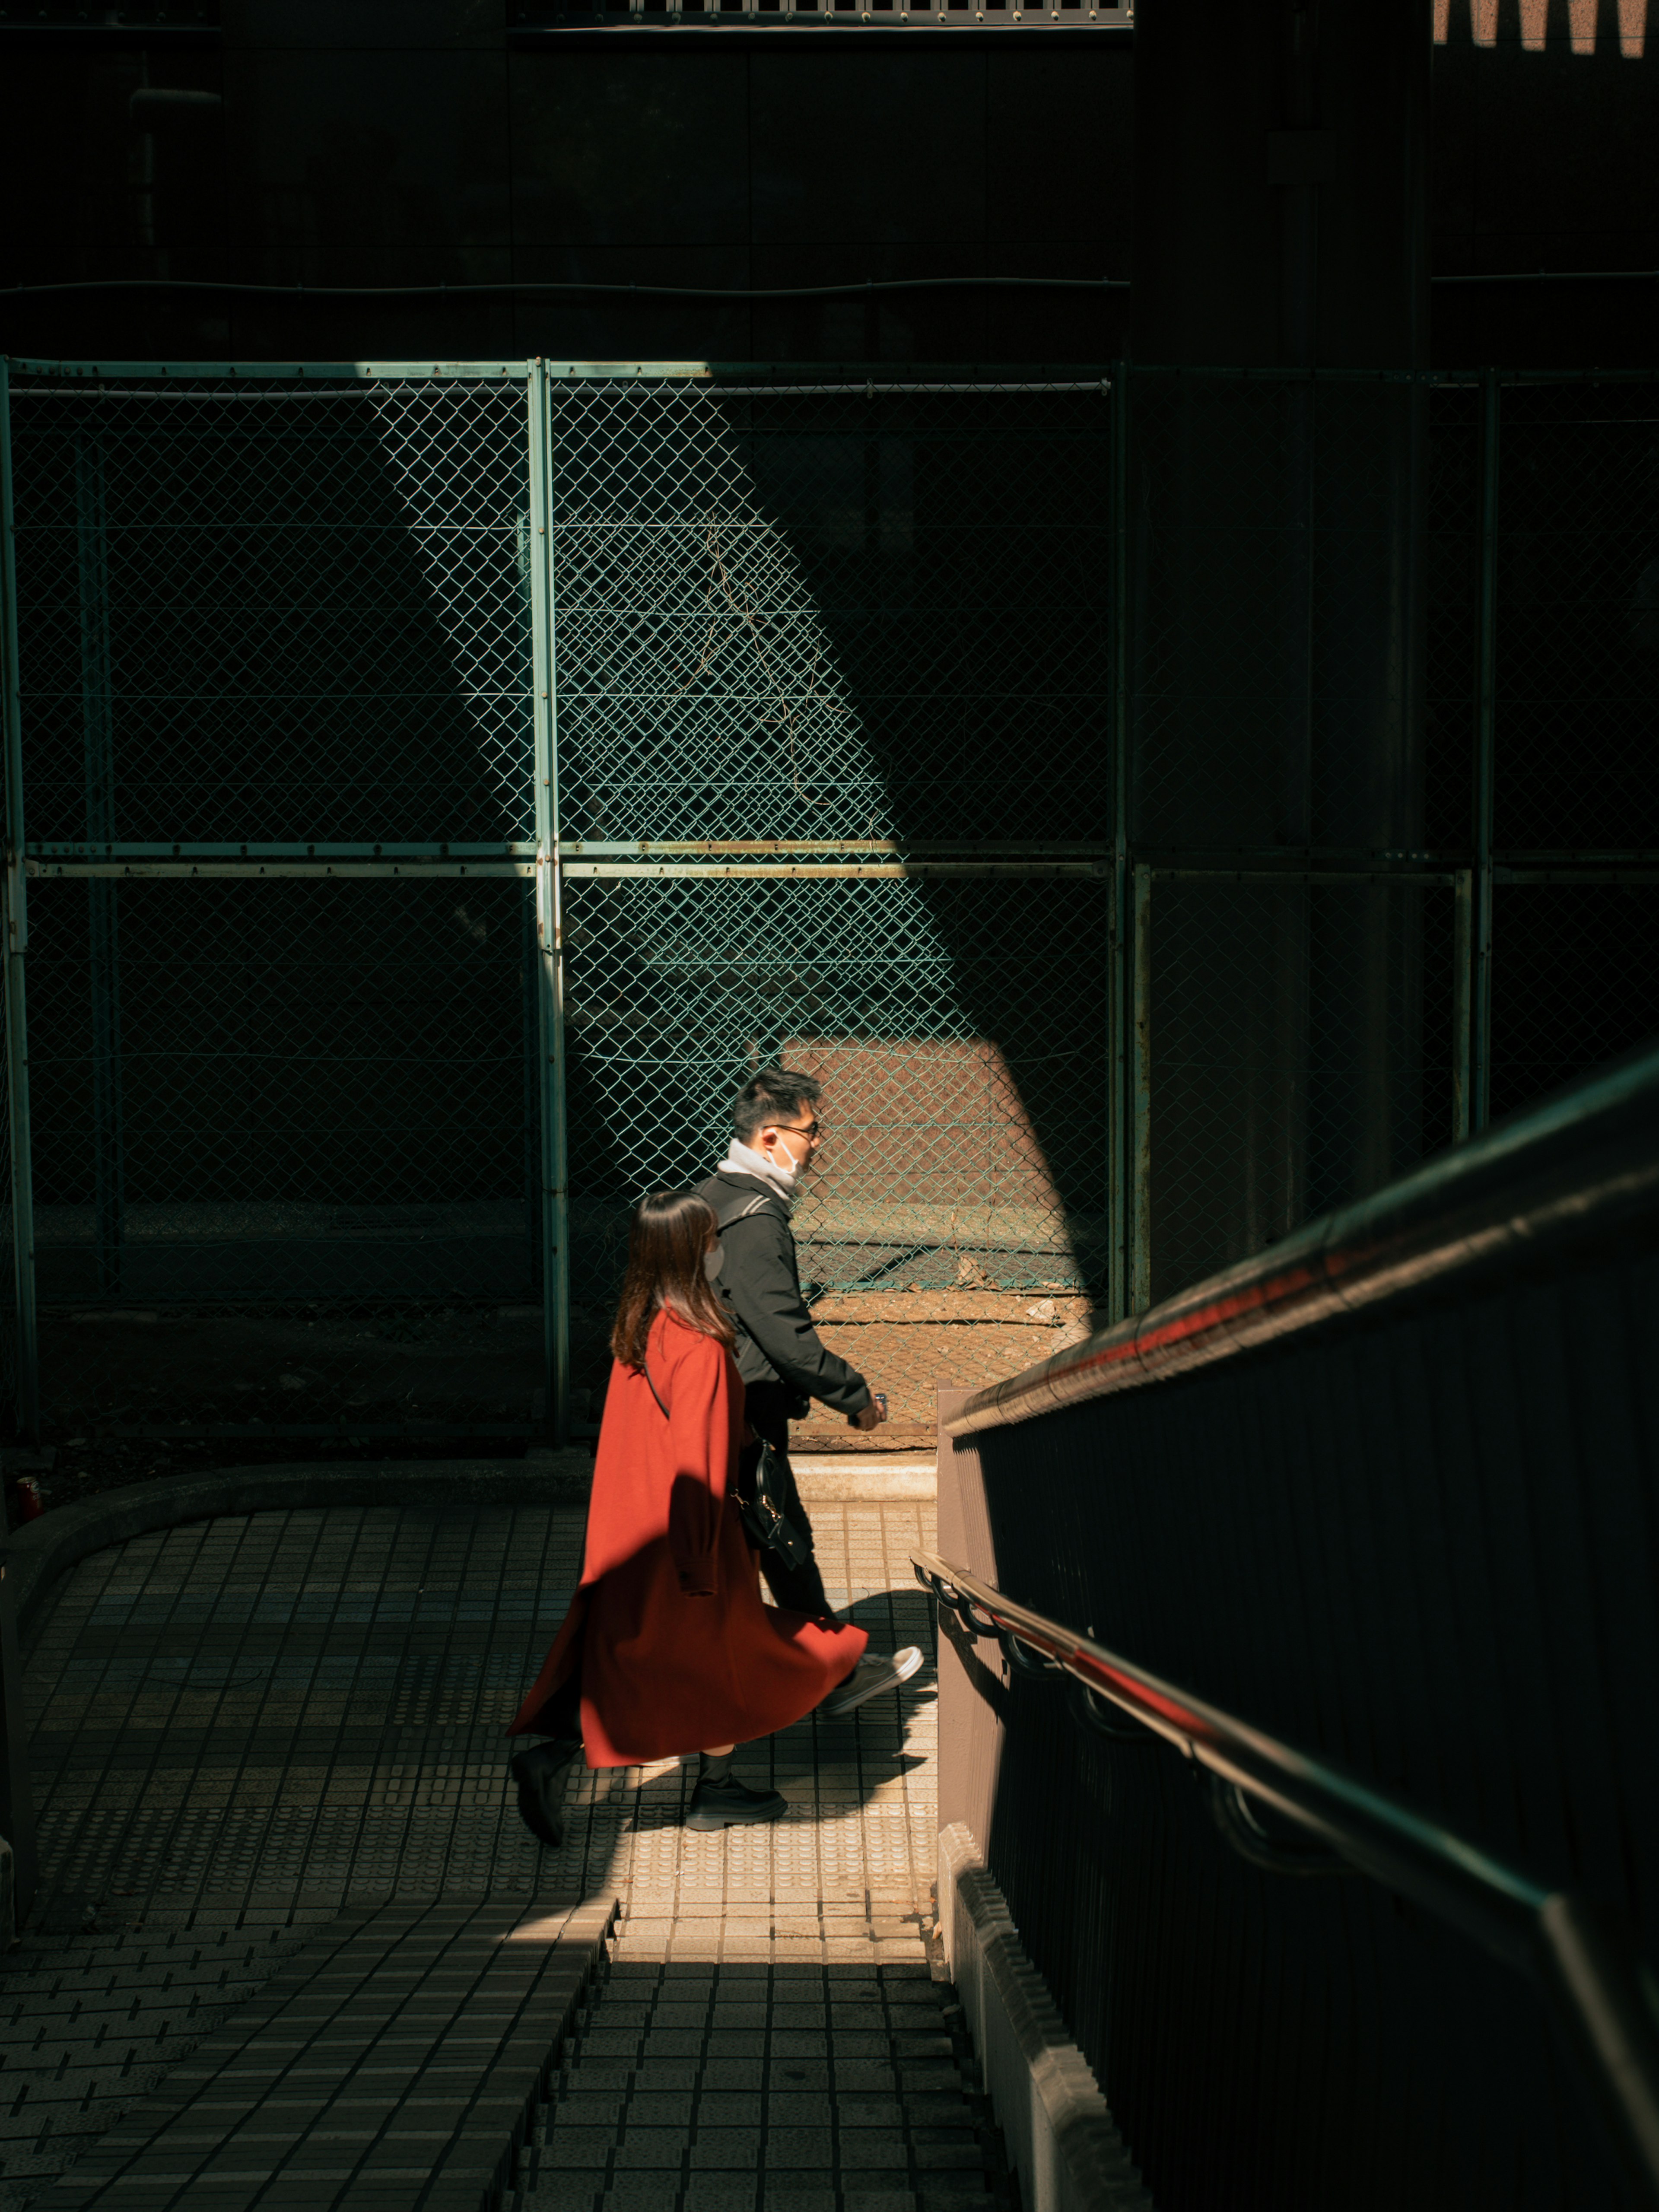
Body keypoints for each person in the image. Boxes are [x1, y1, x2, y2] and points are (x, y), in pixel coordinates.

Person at [506, 1190, 871, 1840]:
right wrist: (701, 1560)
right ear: (693, 1252)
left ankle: (581, 1760)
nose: (718, 1249)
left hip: (632, 1528)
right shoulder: (701, 1347)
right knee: (720, 1658)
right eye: (710, 1240)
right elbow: (700, 1460)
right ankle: (709, 1787)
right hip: (689, 1540)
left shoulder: (640, 1329)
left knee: (651, 1659)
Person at [695, 1068, 922, 1712]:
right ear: (772, 1137)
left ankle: (829, 1668)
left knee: (771, 1540)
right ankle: (829, 1672)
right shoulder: (754, 1219)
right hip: (745, 1408)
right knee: (777, 1537)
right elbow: (786, 1337)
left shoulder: (715, 1196)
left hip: (720, 1404)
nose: (819, 1143)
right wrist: (856, 1397)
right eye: (812, 1130)